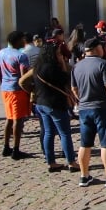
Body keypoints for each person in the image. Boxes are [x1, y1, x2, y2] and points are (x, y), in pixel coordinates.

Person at [72, 37, 106, 188]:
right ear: (96, 49)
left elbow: (74, 89)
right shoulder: (103, 65)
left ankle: (84, 176)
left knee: (85, 143)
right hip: (102, 108)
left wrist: (82, 99)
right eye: (101, 47)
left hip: (84, 109)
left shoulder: (77, 66)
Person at [33, 42, 79, 173]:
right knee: (64, 133)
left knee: (48, 133)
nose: (60, 55)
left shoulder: (37, 67)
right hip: (55, 104)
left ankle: (51, 162)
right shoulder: (52, 68)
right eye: (58, 53)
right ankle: (71, 162)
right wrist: (63, 63)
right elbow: (66, 79)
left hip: (41, 103)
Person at [0, 31, 32, 159]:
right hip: (17, 90)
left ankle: (6, 146)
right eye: (23, 39)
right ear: (18, 41)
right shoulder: (21, 56)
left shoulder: (1, 53)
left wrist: (4, 83)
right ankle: (16, 149)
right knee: (18, 120)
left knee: (9, 118)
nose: (24, 42)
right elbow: (24, 76)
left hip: (5, 89)